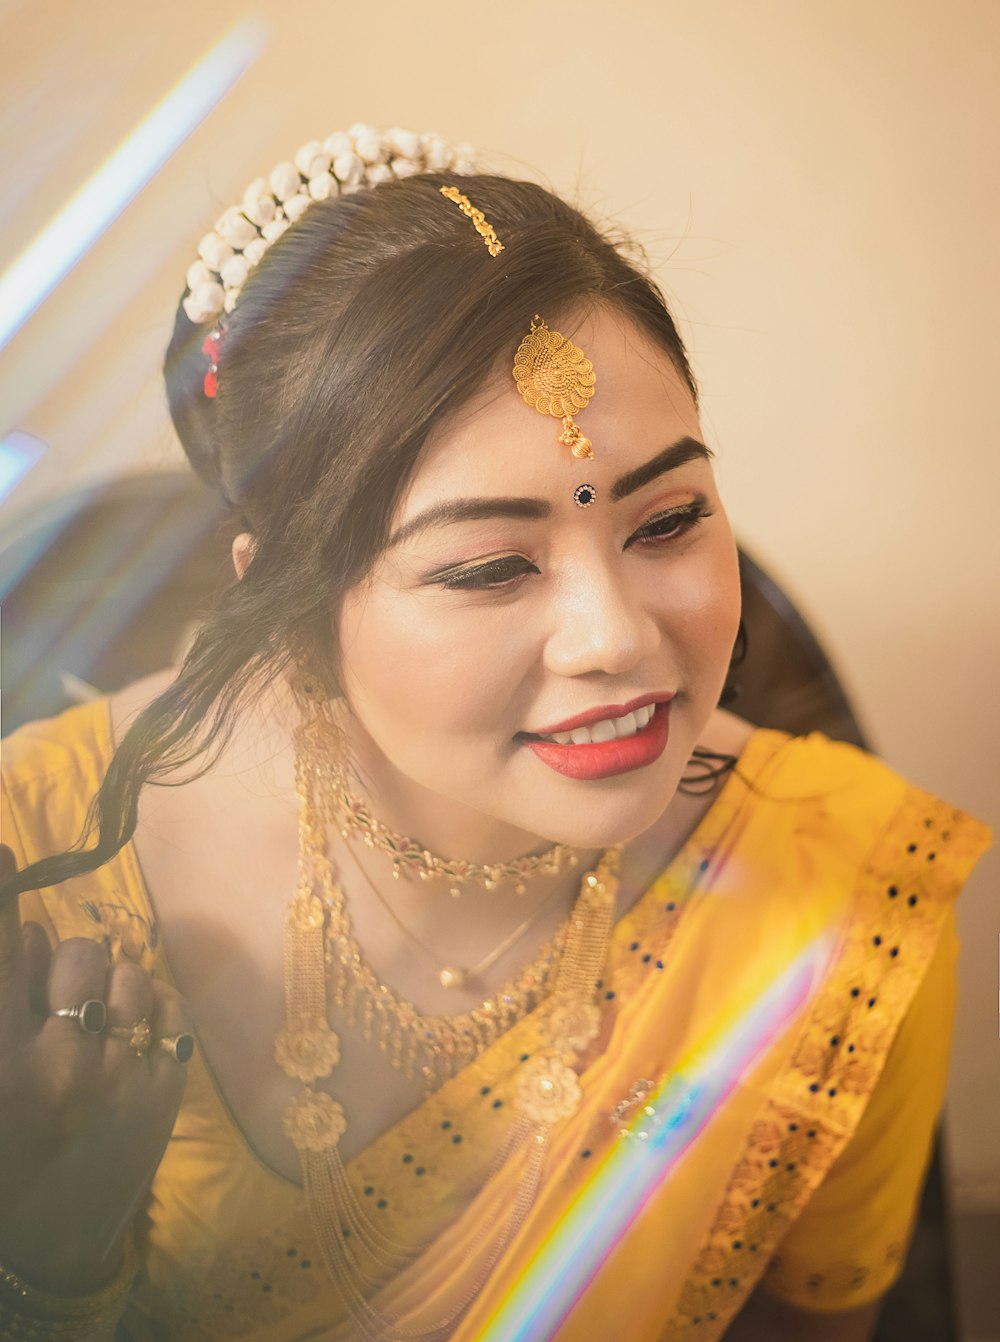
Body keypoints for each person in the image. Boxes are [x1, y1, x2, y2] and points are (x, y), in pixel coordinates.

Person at [0, 125, 990, 1342]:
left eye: (668, 517)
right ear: (289, 603)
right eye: (486, 566)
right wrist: (53, 1256)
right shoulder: (39, 875)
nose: (615, 637)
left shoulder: (844, 890)